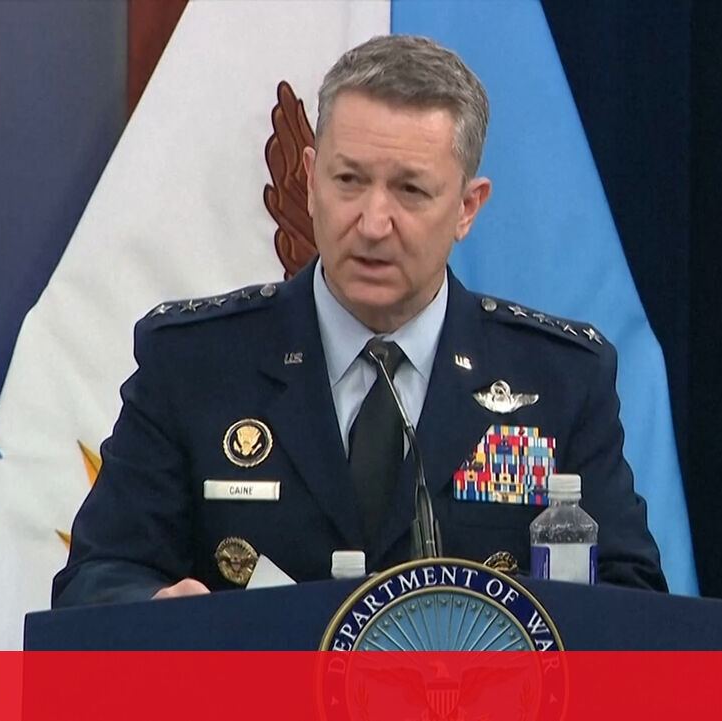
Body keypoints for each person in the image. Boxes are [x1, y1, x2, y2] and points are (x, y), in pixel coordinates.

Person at [52, 34, 665, 607]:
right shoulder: (195, 364)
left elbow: (632, 606)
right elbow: (97, 578)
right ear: (310, 181)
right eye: (349, 180)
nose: (373, 224)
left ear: (466, 208)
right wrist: (156, 611)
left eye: (411, 191)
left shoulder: (559, 381)